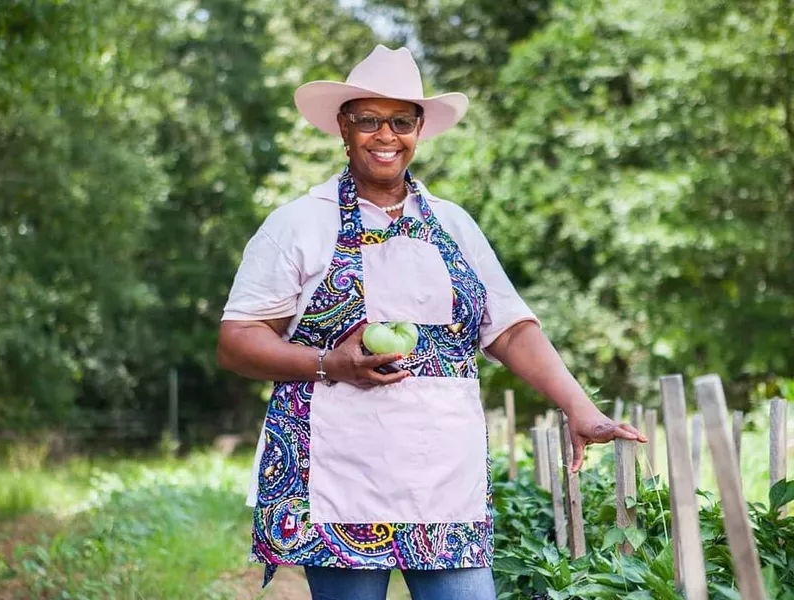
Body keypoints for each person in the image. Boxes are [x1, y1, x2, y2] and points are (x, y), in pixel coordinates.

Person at [217, 45, 646, 600]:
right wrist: (330, 363)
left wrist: (579, 408)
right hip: (337, 466)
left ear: (419, 129)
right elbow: (238, 341)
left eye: (401, 121)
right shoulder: (299, 224)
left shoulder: (454, 224)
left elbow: (510, 329)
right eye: (368, 120)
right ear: (343, 128)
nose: (385, 135)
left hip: (441, 470)